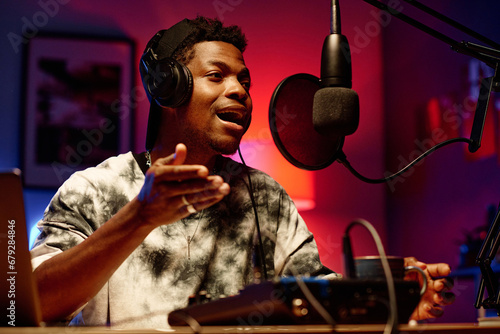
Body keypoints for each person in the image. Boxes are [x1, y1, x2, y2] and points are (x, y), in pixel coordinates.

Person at [30, 16, 454, 328]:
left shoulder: (265, 198)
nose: (240, 91)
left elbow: (316, 302)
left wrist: (389, 302)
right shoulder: (94, 189)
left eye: (245, 81)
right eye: (216, 76)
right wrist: (140, 216)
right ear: (169, 88)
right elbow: (30, 305)